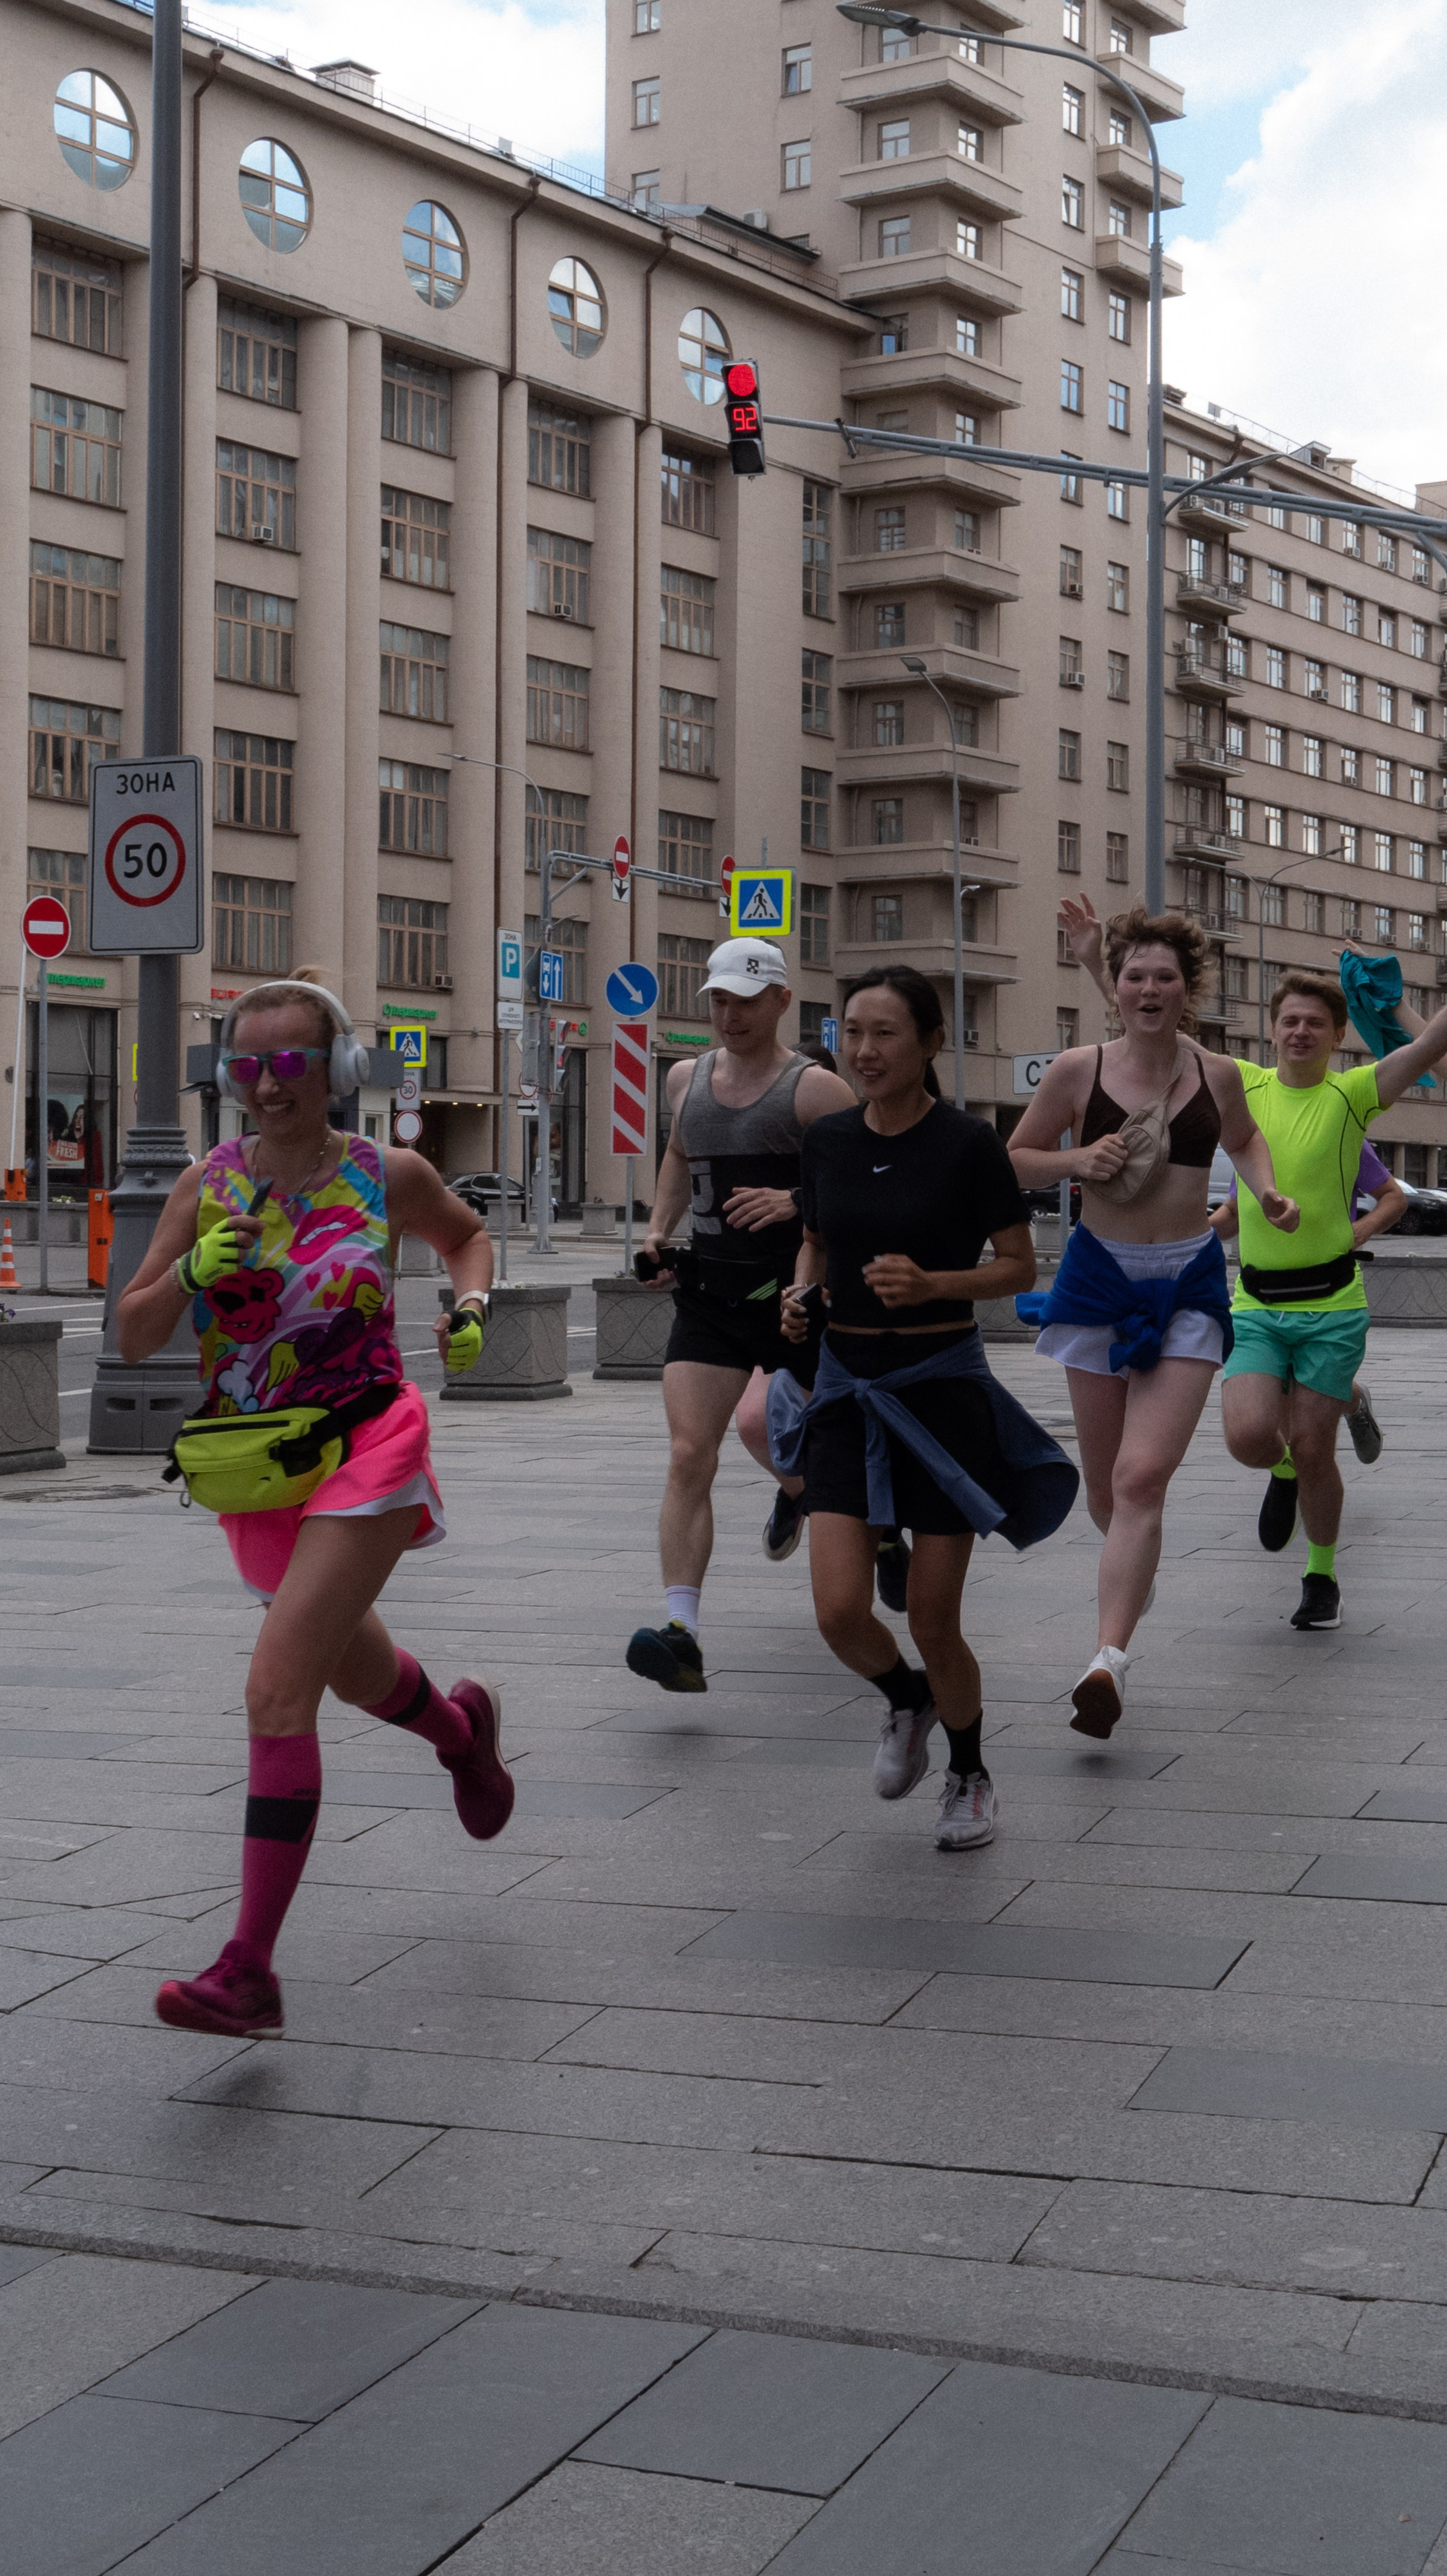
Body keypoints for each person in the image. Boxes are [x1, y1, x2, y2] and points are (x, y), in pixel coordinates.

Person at [117, 978, 510, 2040]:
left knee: (278, 1687)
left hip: (370, 1443)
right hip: (258, 1467)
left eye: (291, 1064)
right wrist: (193, 1270)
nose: (267, 1085)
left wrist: (468, 1307)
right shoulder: (206, 1186)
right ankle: (461, 1732)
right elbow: (136, 1334)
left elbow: (468, 1240)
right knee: (351, 1668)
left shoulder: (388, 1176)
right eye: (247, 1066)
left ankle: (250, 1970)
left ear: (337, 1073)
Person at [1063, 898, 1447, 1633]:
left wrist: (1399, 1009)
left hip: (1332, 1304)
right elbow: (1148, 1030)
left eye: (1315, 1022)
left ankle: (1321, 1574)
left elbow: (1425, 1053)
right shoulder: (1236, 1081)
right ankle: (1280, 1472)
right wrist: (1091, 958)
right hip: (1254, 1303)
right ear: (1272, 1030)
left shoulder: (1355, 1094)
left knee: (1313, 1442)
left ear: (1339, 1036)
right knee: (1248, 1438)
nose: (1300, 1031)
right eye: (1288, 1020)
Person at [772, 967, 1077, 1851]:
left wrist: (934, 1281)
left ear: (930, 1044)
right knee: (838, 1610)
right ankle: (906, 1701)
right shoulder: (825, 1140)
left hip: (940, 1393)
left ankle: (971, 1772)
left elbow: (1020, 1267)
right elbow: (817, 1239)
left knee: (934, 1615)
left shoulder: (968, 1145)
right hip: (846, 1392)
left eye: (885, 1034)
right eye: (850, 1033)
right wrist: (802, 1296)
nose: (863, 1050)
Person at [1009, 906, 1299, 1734]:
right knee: (1109, 1495)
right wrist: (1075, 1160)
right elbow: (1015, 1156)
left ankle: (1106, 1663)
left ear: (1187, 989)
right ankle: (1131, 1573)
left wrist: (1266, 1191)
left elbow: (1244, 1144)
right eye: (1133, 975)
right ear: (1117, 986)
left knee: (1141, 1479)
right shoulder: (1078, 1070)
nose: (1148, 989)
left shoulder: (1218, 1074)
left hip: (1188, 1286)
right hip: (1099, 1280)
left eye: (1164, 977)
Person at [625, 937, 856, 1692]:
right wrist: (658, 1230)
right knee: (691, 1452)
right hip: (713, 1295)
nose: (730, 1015)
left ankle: (855, 1529)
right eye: (719, 1000)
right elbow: (678, 1155)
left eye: (746, 1001)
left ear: (782, 1001)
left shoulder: (813, 1089)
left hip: (799, 1295)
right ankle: (681, 1629)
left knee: (831, 1442)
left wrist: (796, 1200)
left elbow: (868, 1171)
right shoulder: (685, 1079)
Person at [1212, 1137, 1405, 1469]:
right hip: (1261, 1296)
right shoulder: (1252, 1141)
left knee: (1305, 1426)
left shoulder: (1342, 1131)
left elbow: (1393, 1197)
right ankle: (1288, 1482)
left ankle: (1354, 1403)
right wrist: (1186, 1237)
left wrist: (1360, 1230)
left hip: (1327, 1295)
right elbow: (1234, 1211)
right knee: (1279, 1411)